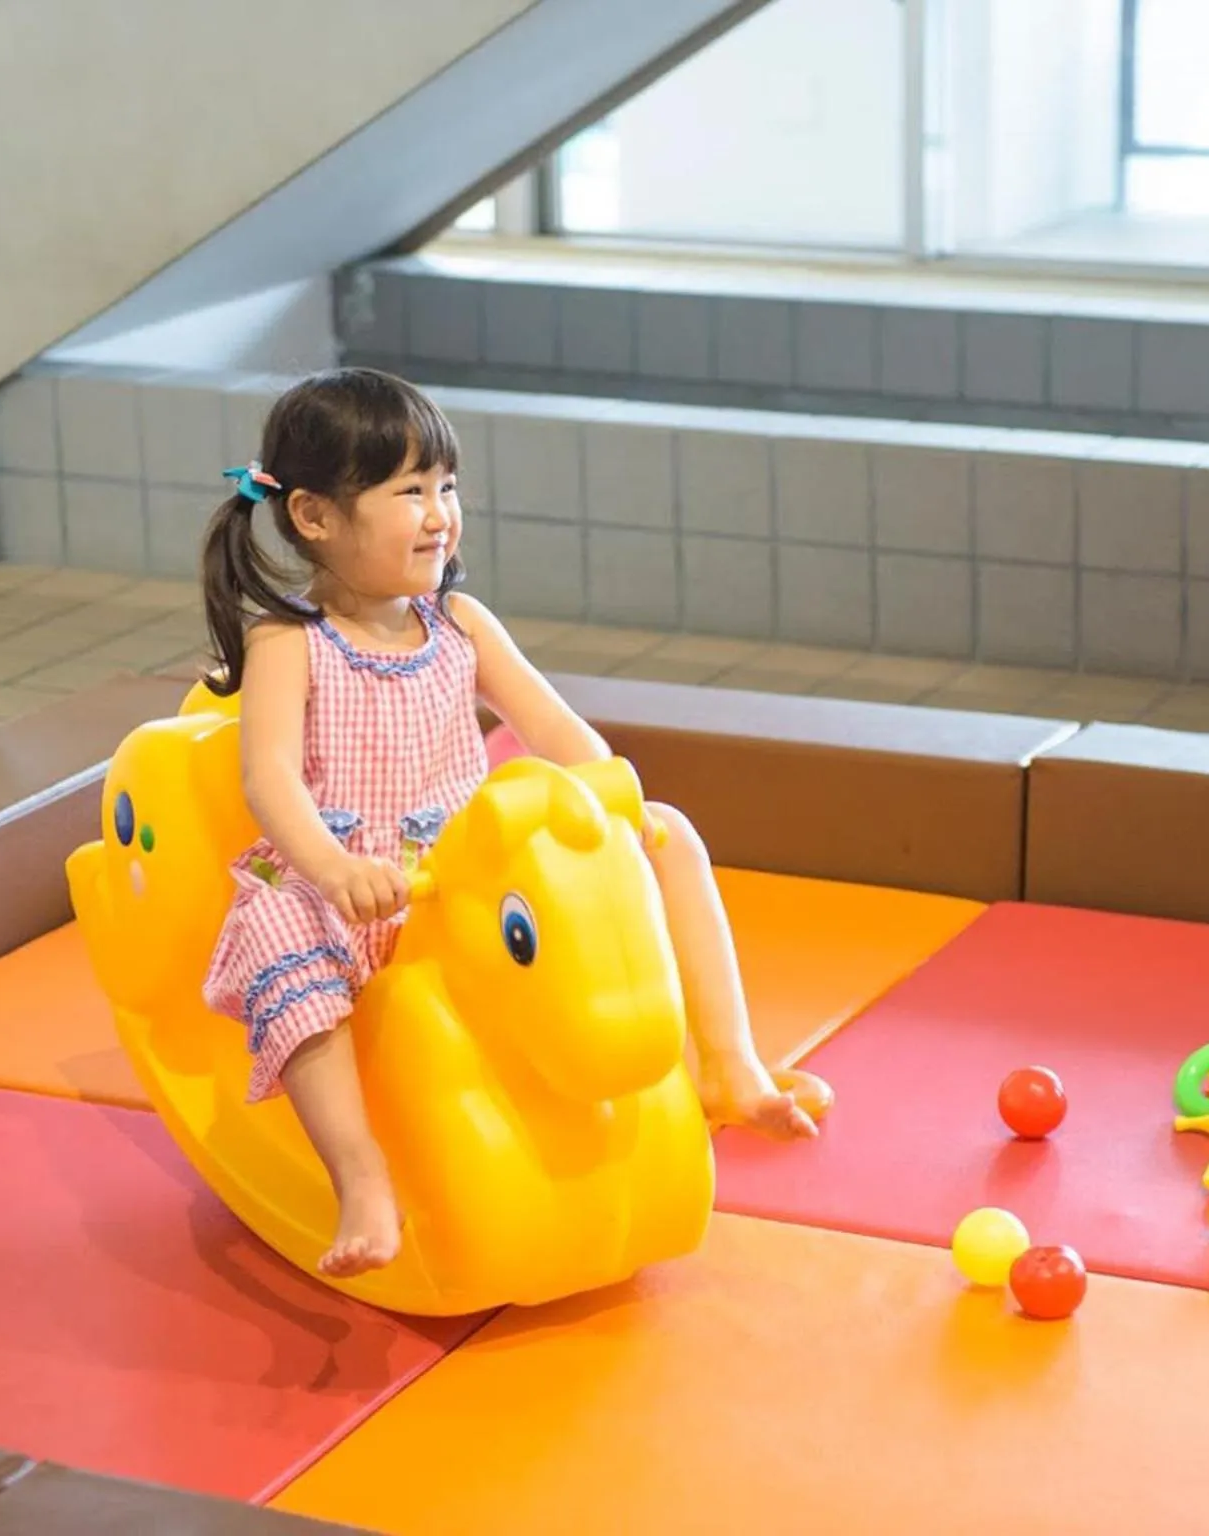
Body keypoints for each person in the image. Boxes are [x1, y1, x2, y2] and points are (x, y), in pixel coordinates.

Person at [196, 367, 816, 1280]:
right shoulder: (290, 640)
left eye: (446, 487)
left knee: (669, 834)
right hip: (353, 891)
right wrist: (331, 869)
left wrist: (611, 804)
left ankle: (728, 1062)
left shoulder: (460, 625)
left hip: (466, 880)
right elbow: (269, 781)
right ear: (316, 518)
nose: (440, 512)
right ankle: (360, 1172)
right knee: (286, 936)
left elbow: (562, 733)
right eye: (408, 492)